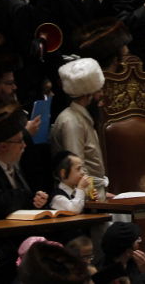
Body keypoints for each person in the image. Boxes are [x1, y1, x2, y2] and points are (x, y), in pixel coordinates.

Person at [50, 56, 107, 198]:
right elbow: (76, 170)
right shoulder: (72, 121)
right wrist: (92, 194)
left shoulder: (81, 117)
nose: (101, 95)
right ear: (88, 95)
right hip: (82, 199)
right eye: (98, 91)